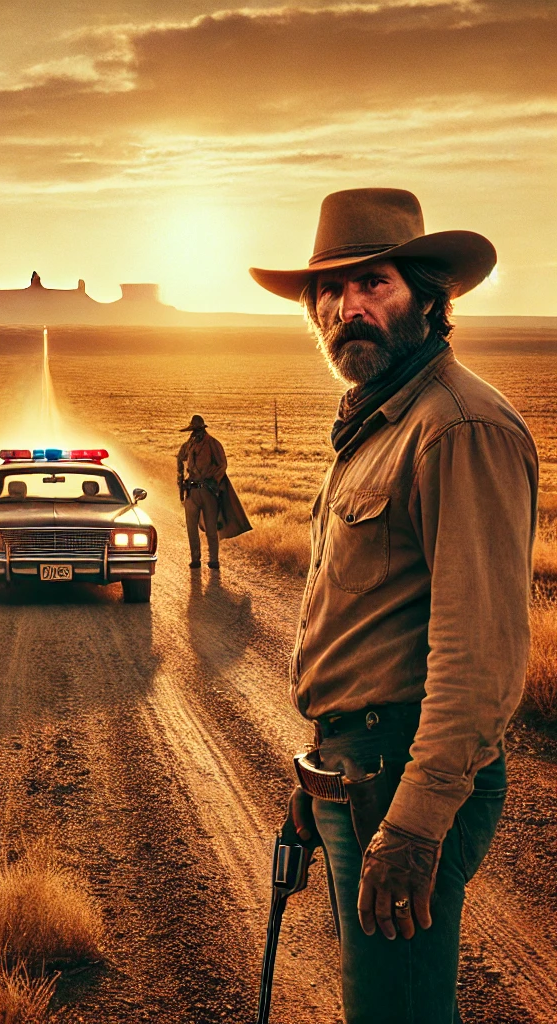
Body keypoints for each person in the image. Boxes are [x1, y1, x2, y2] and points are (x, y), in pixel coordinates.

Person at [250, 188, 537, 1023]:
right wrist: (321, 773)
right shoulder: (382, 425)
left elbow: (478, 655)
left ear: (428, 296)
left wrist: (412, 827)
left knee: (397, 1013)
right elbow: (364, 624)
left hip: (405, 772)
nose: (348, 308)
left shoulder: (458, 428)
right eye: (329, 294)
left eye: (372, 283)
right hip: (357, 768)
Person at [176, 414, 251, 570]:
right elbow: (180, 458)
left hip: (208, 491)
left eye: (197, 430)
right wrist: (180, 479)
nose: (195, 433)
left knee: (211, 528)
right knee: (191, 528)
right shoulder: (189, 444)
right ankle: (195, 559)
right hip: (192, 490)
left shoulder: (212, 443)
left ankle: (214, 560)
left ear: (202, 429)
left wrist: (214, 480)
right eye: (193, 430)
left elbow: (222, 464)